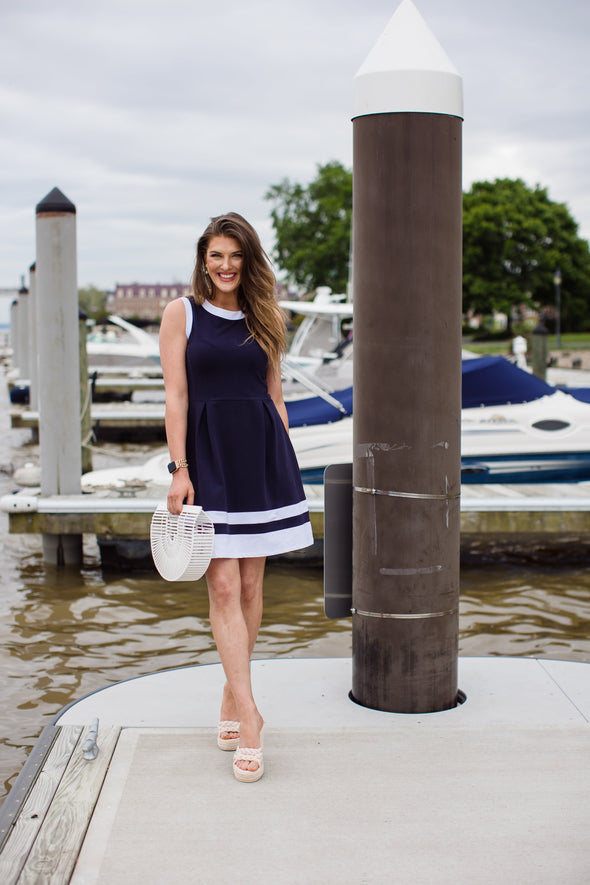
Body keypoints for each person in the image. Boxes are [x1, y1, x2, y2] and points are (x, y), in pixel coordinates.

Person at [159, 212, 314, 783]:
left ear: (249, 260)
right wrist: (180, 468)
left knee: (251, 584)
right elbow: (176, 396)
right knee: (221, 581)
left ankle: (230, 696)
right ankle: (251, 715)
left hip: (260, 456)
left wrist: (286, 456)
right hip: (207, 456)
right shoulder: (182, 314)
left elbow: (275, 396)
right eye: (215, 255)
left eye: (235, 256)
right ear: (203, 259)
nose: (225, 266)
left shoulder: (266, 316)